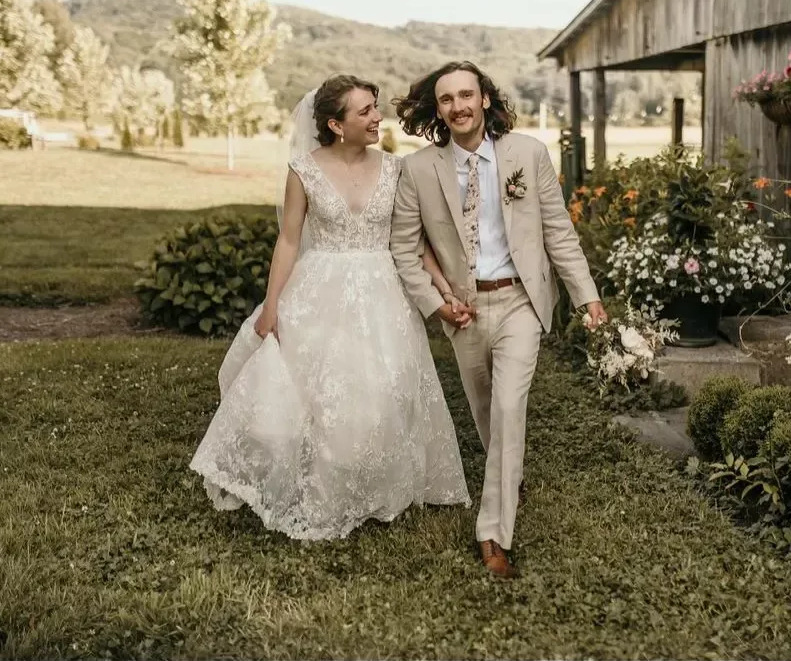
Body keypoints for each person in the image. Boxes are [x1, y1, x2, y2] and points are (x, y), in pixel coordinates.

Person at [189, 74, 470, 541]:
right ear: (337, 125)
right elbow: (288, 240)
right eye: (365, 111)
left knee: (386, 386)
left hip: (383, 290)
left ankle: (380, 479)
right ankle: (326, 481)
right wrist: (272, 305)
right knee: (324, 391)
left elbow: (413, 243)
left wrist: (443, 290)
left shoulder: (395, 169)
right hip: (320, 285)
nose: (377, 117)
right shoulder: (304, 170)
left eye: (374, 108)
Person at [390, 61, 606, 578]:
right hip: (462, 311)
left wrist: (587, 297)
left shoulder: (526, 155)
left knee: (509, 408)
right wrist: (437, 304)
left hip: (520, 303)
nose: (459, 106)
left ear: (485, 98)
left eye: (468, 95)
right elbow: (403, 249)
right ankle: (509, 478)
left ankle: (494, 536)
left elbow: (557, 231)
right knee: (487, 412)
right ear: (437, 109)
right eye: (447, 100)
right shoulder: (418, 170)